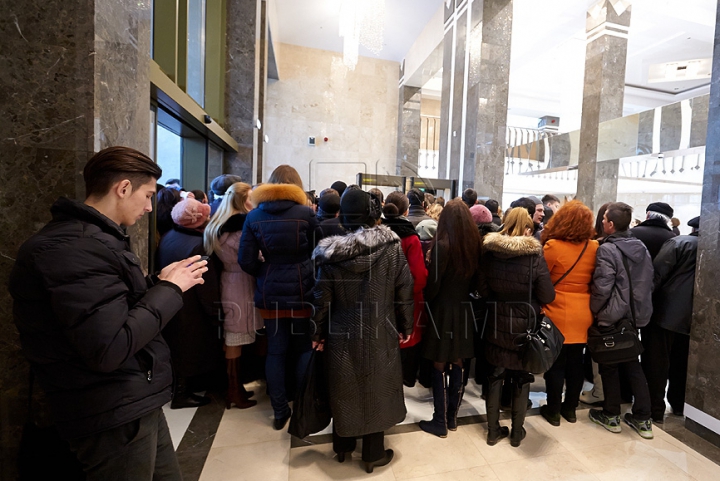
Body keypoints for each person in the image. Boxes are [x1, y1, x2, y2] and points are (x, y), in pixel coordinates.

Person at [10, 146, 207, 480]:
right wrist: (170, 290)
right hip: (109, 408)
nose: (149, 207)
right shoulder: (73, 247)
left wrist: (156, 282)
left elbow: (109, 304)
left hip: (129, 398)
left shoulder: (93, 239)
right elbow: (109, 344)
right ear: (124, 188)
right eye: (147, 195)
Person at [312, 190, 414, 473]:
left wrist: (317, 333)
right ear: (373, 214)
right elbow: (404, 288)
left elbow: (321, 298)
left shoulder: (330, 253)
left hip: (341, 331)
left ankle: (343, 448)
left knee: (344, 386)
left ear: (343, 216)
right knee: (375, 387)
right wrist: (406, 325)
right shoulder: (391, 247)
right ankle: (372, 453)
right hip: (380, 328)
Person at [239, 165, 318, 430]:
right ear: (297, 186)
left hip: (270, 289)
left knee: (275, 350)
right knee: (304, 348)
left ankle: (279, 410)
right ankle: (303, 404)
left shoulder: (254, 216)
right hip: (303, 288)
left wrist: (266, 270)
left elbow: (245, 260)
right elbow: (320, 254)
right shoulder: (307, 214)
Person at [479, 208, 555, 447]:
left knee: (496, 374)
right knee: (522, 377)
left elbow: (482, 289)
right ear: (526, 228)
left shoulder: (489, 252)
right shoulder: (534, 255)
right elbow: (547, 294)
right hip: (525, 326)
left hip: (496, 321)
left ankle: (492, 431)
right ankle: (516, 433)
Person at [589, 202, 654, 439]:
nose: (602, 221)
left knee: (609, 364)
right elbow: (649, 280)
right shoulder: (641, 247)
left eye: (604, 218)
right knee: (632, 363)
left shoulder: (607, 249)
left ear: (610, 224)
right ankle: (643, 419)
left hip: (613, 313)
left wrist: (596, 311)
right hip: (636, 315)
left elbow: (602, 287)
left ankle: (611, 414)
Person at [419, 199, 483, 438]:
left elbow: (433, 285)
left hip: (442, 309)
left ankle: (440, 420)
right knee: (458, 361)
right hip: (463, 308)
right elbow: (477, 283)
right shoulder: (474, 246)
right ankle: (453, 417)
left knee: (438, 362)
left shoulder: (442, 246)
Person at [157, 198, 223, 409]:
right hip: (191, 308)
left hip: (170, 300)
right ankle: (182, 394)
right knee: (189, 350)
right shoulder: (199, 244)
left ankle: (180, 388)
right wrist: (215, 311)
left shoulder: (169, 235)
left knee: (178, 348)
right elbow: (206, 284)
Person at [539, 201, 599, 426]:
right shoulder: (593, 246)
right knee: (576, 364)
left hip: (557, 311)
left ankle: (553, 410)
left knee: (555, 364)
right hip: (583, 312)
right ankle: (570, 409)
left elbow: (542, 280)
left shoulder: (553, 246)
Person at [204, 182, 260, 410]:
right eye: (250, 199)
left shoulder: (216, 225)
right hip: (241, 282)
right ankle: (234, 390)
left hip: (228, 280)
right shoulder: (238, 229)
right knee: (235, 336)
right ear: (241, 201)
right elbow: (254, 257)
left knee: (232, 336)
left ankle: (234, 388)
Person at [642, 216, 700, 423]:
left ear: (692, 227)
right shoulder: (711, 249)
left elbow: (656, 276)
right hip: (695, 318)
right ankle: (679, 405)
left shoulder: (679, 243)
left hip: (666, 314)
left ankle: (654, 409)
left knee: (657, 363)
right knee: (683, 363)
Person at [383, 193, 428, 387]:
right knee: (408, 338)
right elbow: (418, 274)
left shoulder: (377, 231)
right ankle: (406, 378)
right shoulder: (410, 236)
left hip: (382, 295)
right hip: (408, 297)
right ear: (406, 211)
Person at [580, 202, 611, 405]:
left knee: (596, 350)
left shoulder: (596, 244)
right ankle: (604, 390)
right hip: (616, 307)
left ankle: (599, 390)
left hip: (595, 304)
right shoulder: (633, 244)